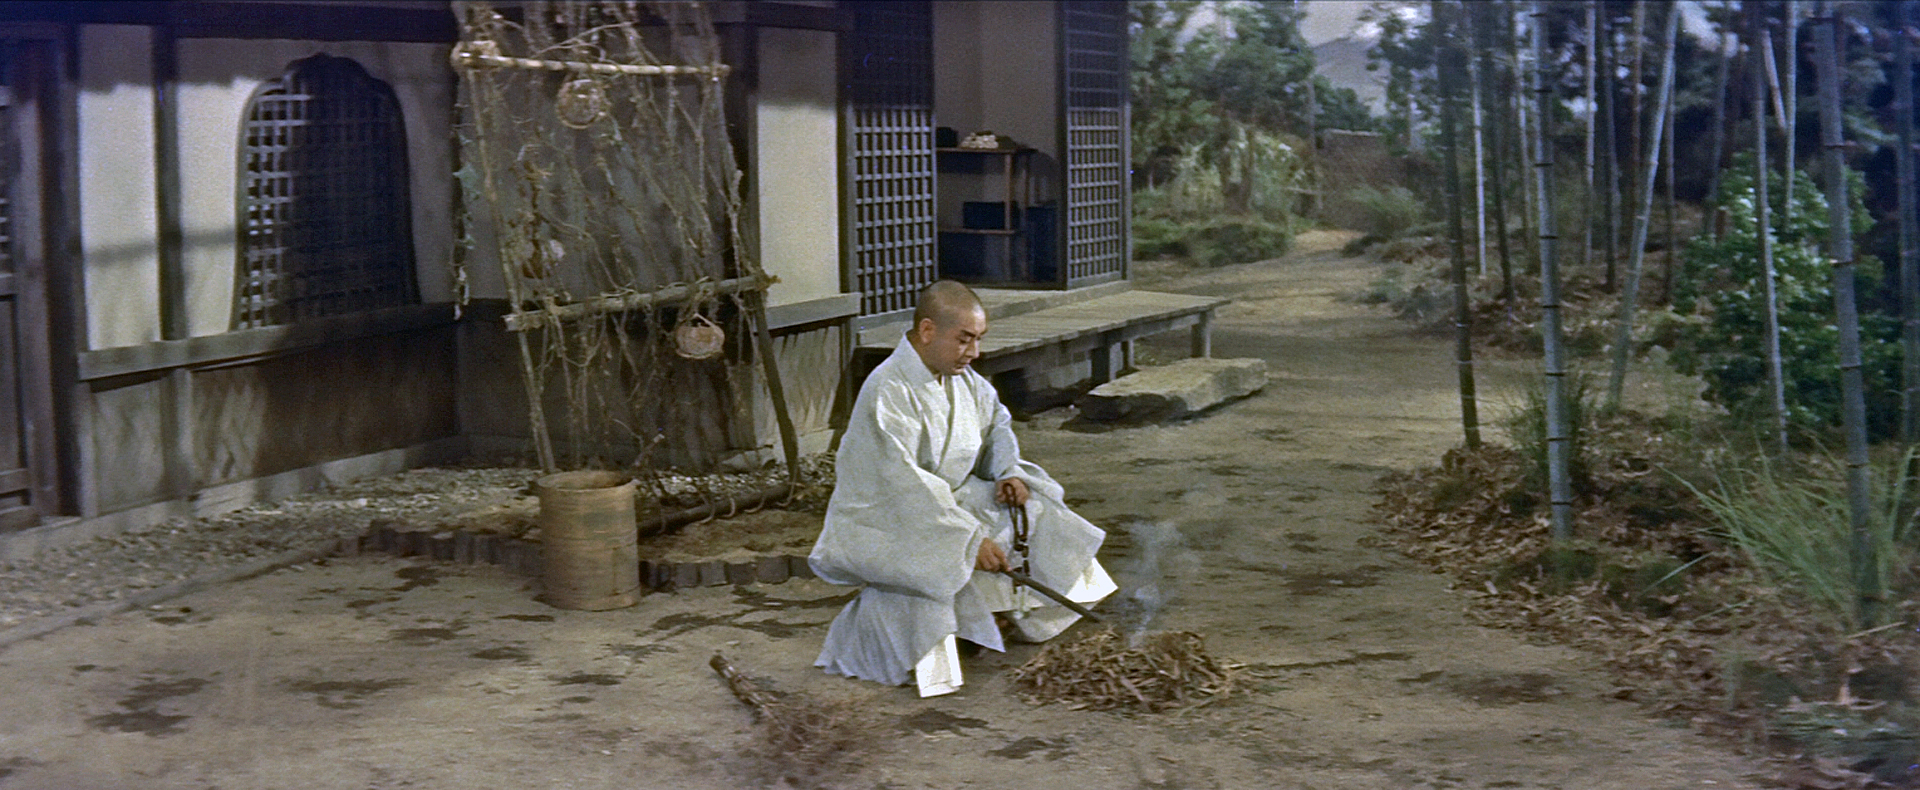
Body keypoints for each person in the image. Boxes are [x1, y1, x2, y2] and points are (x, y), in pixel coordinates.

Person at [809, 280, 1115, 697]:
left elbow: (996, 426)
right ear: (928, 331)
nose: (974, 352)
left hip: (950, 502)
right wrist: (968, 539)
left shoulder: (965, 380)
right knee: (935, 567)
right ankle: (951, 634)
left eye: (978, 339)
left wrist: (1007, 471)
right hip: (890, 519)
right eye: (964, 339)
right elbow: (901, 485)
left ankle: (1004, 615)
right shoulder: (888, 389)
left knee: (1036, 508)